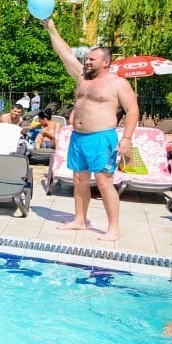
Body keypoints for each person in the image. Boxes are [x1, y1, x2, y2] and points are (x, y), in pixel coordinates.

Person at [42, 18, 139, 241]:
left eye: (92, 59)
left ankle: (113, 228)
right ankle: (79, 220)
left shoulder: (118, 83)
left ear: (106, 62)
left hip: (101, 138)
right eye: (86, 58)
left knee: (105, 182)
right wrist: (51, 28)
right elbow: (65, 54)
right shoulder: (81, 78)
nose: (86, 62)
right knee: (79, 179)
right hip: (78, 137)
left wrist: (126, 139)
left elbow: (132, 111)